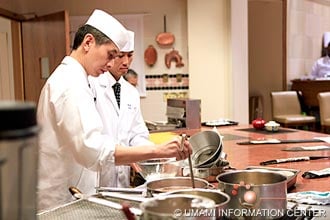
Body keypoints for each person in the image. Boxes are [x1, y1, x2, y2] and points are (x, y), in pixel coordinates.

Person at [36, 9, 191, 212]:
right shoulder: (70, 84)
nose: (111, 64)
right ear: (88, 42)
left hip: (78, 191)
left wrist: (148, 155)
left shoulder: (78, 79)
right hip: (62, 198)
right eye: (111, 55)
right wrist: (158, 150)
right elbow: (93, 148)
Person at [88, 31, 150, 188]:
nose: (126, 62)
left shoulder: (131, 92)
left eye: (130, 56)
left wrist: (148, 153)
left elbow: (137, 133)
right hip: (96, 177)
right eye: (120, 55)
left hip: (121, 181)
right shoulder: (91, 84)